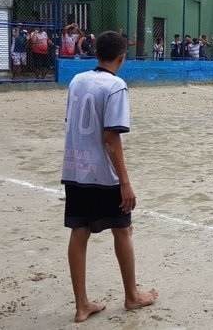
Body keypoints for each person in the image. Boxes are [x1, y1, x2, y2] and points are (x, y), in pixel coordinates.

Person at [61, 31, 158, 323]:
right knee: (123, 230)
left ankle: (81, 306)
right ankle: (132, 296)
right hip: (103, 174)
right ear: (122, 57)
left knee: (80, 232)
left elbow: (72, 122)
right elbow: (111, 138)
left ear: (95, 53)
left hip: (74, 170)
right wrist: (125, 183)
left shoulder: (77, 80)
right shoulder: (116, 86)